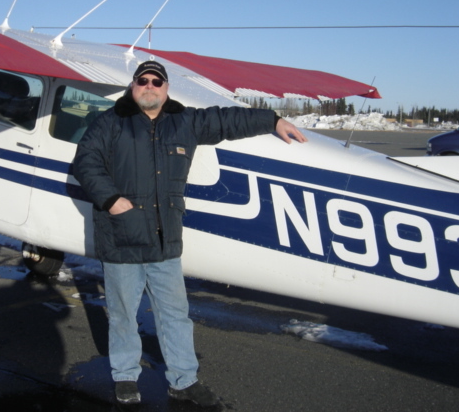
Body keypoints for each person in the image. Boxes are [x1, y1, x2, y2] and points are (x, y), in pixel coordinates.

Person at [73, 60, 307, 406]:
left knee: (175, 316)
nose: (149, 86)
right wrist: (110, 199)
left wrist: (272, 120)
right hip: (121, 238)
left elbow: (227, 120)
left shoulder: (184, 122)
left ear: (166, 88)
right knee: (123, 313)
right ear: (133, 85)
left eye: (157, 81)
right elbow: (85, 161)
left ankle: (183, 380)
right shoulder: (109, 123)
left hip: (165, 240)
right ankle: (125, 375)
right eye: (143, 80)